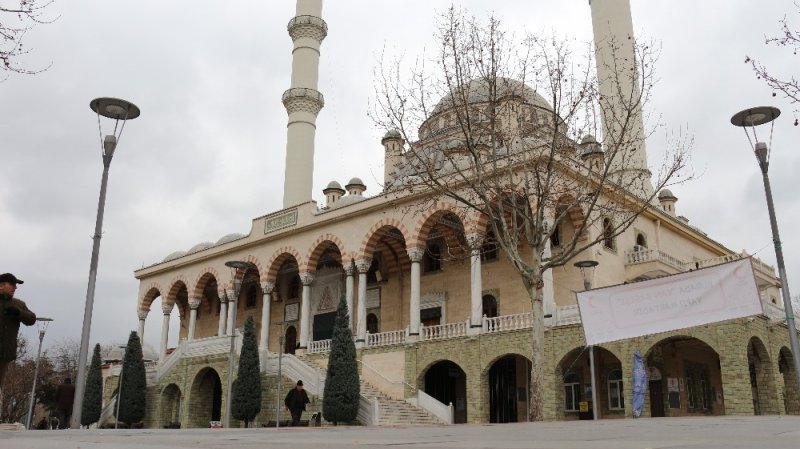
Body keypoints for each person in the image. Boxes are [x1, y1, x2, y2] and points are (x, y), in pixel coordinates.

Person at [0, 273, 37, 384]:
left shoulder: (18, 304)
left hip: (5, 354)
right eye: (12, 284)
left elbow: (32, 319)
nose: (15, 287)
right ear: (1, 286)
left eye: (15, 285)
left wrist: (19, 313)